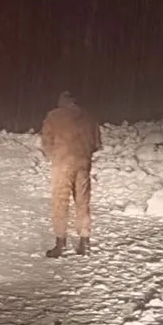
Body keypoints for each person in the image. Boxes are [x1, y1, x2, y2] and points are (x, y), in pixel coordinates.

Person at [40, 91, 100, 257]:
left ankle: (60, 244)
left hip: (62, 163)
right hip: (83, 163)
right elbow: (96, 143)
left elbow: (46, 141)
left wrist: (54, 155)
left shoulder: (53, 116)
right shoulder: (88, 116)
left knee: (60, 201)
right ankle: (84, 241)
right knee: (83, 201)